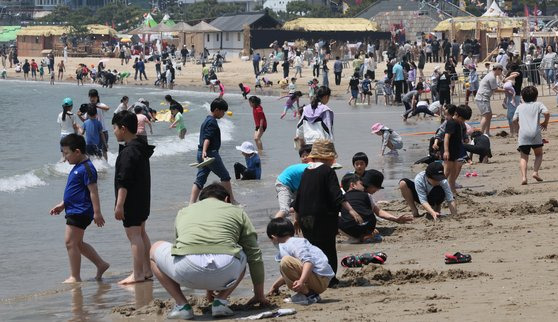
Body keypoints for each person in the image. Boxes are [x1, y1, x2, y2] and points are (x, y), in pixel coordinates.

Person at [150, 183, 268, 319]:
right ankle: (221, 301)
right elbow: (254, 254)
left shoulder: (184, 211)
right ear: (227, 199)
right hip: (227, 271)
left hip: (186, 272)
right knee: (241, 252)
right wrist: (259, 294)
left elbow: (182, 248)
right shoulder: (237, 211)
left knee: (154, 249)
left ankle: (182, 304)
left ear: (202, 200)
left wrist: (208, 289)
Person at [292, 140, 361, 287]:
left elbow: (299, 196)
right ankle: (330, 279)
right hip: (323, 217)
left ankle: (315, 277)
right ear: (329, 158)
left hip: (305, 218)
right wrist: (351, 210)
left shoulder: (306, 171)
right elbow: (336, 195)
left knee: (312, 248)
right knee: (328, 248)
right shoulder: (327, 171)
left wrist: (296, 218)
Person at [49, 134, 110, 283]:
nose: (64, 157)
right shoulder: (78, 167)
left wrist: (97, 212)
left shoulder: (87, 168)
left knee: (70, 242)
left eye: (66, 153)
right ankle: (101, 264)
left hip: (80, 210)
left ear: (77, 152)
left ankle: (75, 276)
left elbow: (93, 191)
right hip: (74, 209)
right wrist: (63, 204)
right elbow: (75, 191)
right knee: (78, 244)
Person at [112, 111, 155, 285]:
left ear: (123, 129)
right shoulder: (140, 147)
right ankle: (147, 270)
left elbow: (124, 181)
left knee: (134, 235)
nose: (114, 132)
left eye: (115, 128)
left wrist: (119, 204)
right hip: (143, 198)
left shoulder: (129, 152)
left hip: (132, 200)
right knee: (141, 233)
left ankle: (137, 273)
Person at [267, 218, 333, 305]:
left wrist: (301, 281)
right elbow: (290, 271)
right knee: (285, 263)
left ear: (274, 237)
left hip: (320, 279)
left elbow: (309, 262)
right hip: (319, 278)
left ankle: (309, 295)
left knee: (285, 261)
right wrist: (275, 287)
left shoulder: (293, 244)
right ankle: (308, 293)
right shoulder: (290, 244)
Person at [340, 172, 413, 243]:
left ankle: (358, 237)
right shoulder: (366, 195)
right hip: (369, 224)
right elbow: (378, 212)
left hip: (349, 226)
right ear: (353, 185)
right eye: (361, 184)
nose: (363, 186)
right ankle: (367, 234)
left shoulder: (342, 197)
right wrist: (395, 219)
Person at [189, 98, 236, 204]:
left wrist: (202, 152)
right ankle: (232, 201)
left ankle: (191, 204)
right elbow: (207, 138)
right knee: (225, 176)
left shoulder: (206, 120)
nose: (223, 114)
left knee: (200, 180)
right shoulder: (212, 121)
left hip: (201, 152)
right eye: (223, 111)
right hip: (209, 154)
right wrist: (205, 151)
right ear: (216, 110)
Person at [513, 86, 550, 185]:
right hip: (535, 133)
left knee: (523, 157)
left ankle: (524, 177)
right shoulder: (538, 104)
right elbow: (547, 113)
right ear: (536, 96)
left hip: (523, 134)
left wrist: (517, 129)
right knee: (538, 154)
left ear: (522, 97)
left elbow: (514, 120)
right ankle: (535, 172)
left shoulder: (520, 106)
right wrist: (545, 123)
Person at [274, 145, 312, 218]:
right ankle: (273, 227)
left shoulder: (308, 167)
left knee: (305, 203)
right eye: (303, 156)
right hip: (283, 184)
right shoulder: (308, 168)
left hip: (294, 187)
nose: (305, 158)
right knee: (284, 210)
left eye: (307, 155)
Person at [443, 104, 472, 194]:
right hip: (450, 151)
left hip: (456, 150)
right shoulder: (451, 123)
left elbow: (460, 138)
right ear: (457, 115)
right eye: (463, 119)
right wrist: (446, 151)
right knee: (447, 171)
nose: (463, 121)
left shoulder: (459, 123)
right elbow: (446, 137)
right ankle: (437, 187)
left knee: (454, 171)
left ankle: (452, 190)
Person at [475, 63, 506, 136]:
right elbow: (495, 89)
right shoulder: (491, 77)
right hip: (482, 98)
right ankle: (481, 134)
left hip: (484, 97)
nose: (501, 72)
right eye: (501, 70)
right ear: (497, 69)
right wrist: (506, 90)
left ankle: (487, 132)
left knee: (489, 115)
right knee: (486, 115)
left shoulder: (492, 76)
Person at [88, 89, 110, 161]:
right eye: (91, 97)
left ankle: (106, 166)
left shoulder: (100, 105)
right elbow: (86, 119)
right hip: (94, 133)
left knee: (104, 150)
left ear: (97, 97)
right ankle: (99, 167)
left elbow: (107, 108)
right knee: (95, 151)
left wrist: (97, 106)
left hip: (103, 131)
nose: (92, 99)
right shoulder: (90, 107)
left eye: (94, 97)